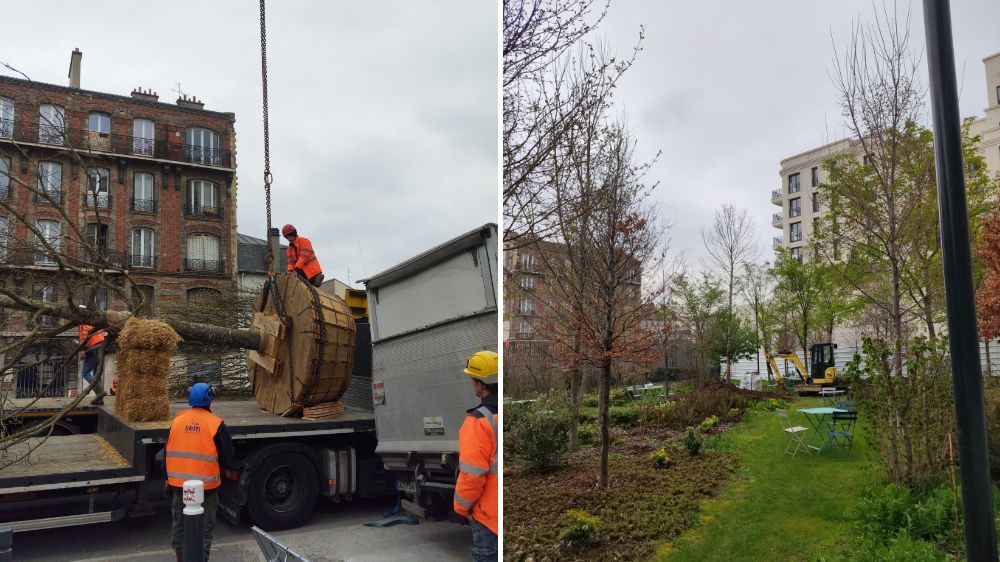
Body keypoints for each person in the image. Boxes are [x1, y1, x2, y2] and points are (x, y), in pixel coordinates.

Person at [164, 383, 234, 562]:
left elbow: (167, 452)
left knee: (179, 526)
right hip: (206, 489)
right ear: (209, 400)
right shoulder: (216, 424)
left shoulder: (177, 421)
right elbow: (228, 457)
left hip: (179, 486)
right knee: (203, 531)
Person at [453, 351, 499, 562]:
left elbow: (472, 474)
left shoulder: (478, 421)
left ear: (480, 385)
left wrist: (462, 507)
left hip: (488, 518)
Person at [77, 318, 107, 405]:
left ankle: (100, 391)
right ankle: (100, 399)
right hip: (101, 347)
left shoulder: (82, 323)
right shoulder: (93, 321)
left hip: (93, 348)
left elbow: (85, 336)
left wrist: (83, 350)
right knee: (97, 374)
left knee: (85, 372)